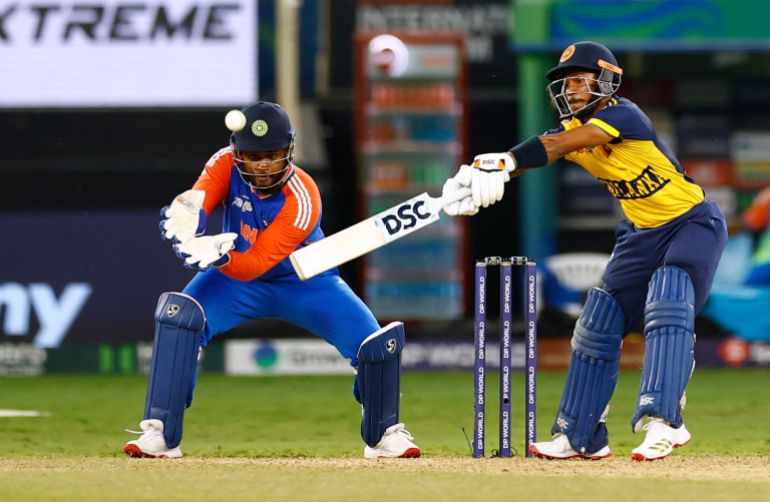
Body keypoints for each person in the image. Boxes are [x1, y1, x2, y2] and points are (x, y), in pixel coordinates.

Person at [443, 41, 727, 461]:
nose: (571, 89)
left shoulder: (623, 116)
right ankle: (580, 436)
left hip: (692, 223)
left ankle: (665, 421)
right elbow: (540, 149)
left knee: (668, 300)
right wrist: (476, 177)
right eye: (566, 82)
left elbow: (558, 146)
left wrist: (503, 162)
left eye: (579, 79)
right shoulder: (573, 128)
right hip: (640, 233)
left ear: (607, 81)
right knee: (599, 320)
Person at [123, 101, 420, 459]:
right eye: (253, 156)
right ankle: (159, 432)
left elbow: (257, 263)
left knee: (375, 344)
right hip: (233, 283)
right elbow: (199, 198)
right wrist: (188, 216)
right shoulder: (223, 163)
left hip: (305, 282)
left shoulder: (304, 196)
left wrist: (219, 256)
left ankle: (385, 434)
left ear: (289, 151)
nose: (263, 165)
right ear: (237, 153)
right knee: (179, 317)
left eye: (272, 155)